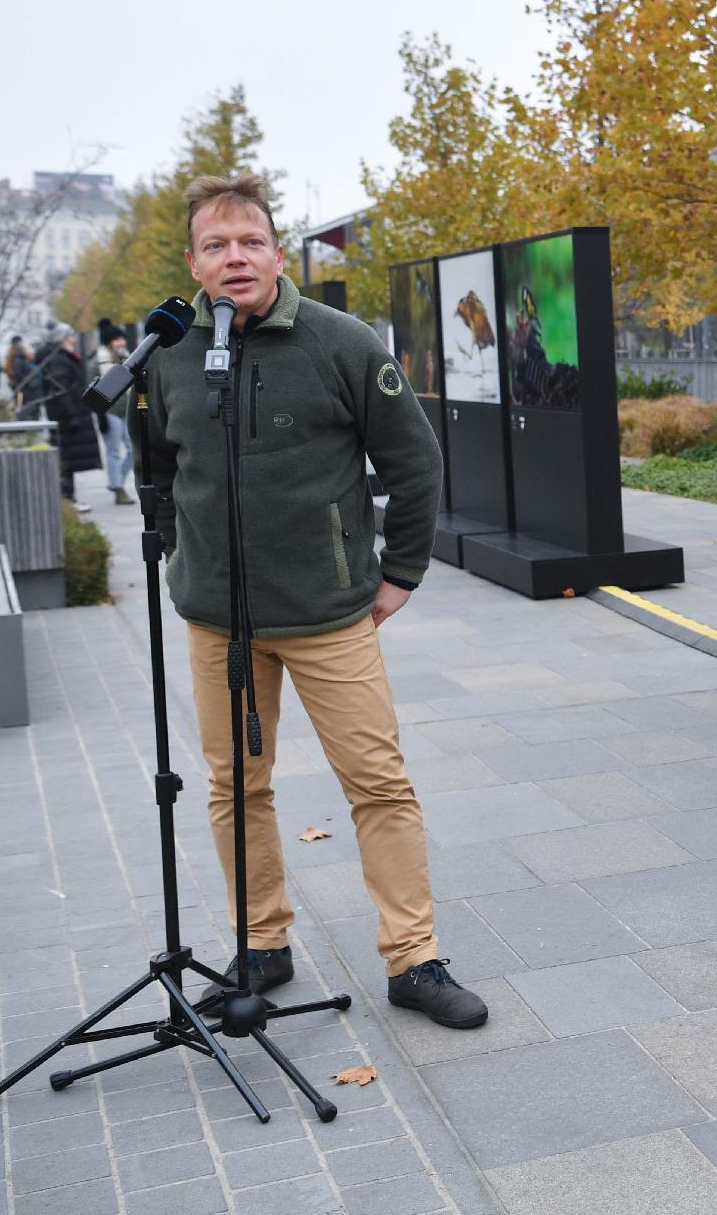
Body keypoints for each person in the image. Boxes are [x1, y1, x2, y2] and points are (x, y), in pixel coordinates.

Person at [147, 173, 485, 1029]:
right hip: (218, 621)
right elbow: (161, 470)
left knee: (377, 781)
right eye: (216, 245)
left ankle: (414, 958)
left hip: (331, 617)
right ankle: (262, 943)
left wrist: (400, 572)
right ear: (193, 260)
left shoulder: (343, 343)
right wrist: (182, 559)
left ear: (276, 250)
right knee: (234, 785)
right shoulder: (172, 352)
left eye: (250, 241)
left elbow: (416, 464)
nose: (235, 258)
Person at [31, 324, 101, 511]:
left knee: (67, 460)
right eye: (70, 336)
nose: (73, 339)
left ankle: (68, 499)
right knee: (66, 461)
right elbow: (61, 391)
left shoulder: (59, 358)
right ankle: (67, 500)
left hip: (69, 416)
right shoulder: (59, 360)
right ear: (61, 338)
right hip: (68, 418)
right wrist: (72, 416)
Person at [92, 324, 136, 504]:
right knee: (113, 452)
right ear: (110, 342)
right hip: (109, 411)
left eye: (122, 338)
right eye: (118, 339)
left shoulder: (127, 357)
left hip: (126, 409)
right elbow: (92, 390)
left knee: (134, 449)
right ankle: (118, 488)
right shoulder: (97, 361)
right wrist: (100, 414)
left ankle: (116, 481)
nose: (122, 342)